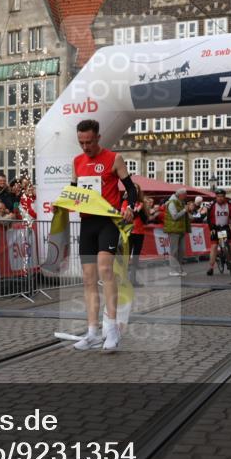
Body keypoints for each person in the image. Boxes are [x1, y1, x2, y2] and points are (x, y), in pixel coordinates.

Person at [70, 119, 135, 352]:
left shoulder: (114, 158)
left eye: (89, 142)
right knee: (88, 278)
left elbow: (131, 188)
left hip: (108, 221)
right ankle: (92, 332)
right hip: (87, 224)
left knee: (106, 270)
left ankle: (113, 329)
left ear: (98, 137)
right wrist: (61, 205)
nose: (85, 147)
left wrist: (128, 206)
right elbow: (74, 192)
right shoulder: (77, 161)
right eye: (81, 142)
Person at [206, 188, 231, 276]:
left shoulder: (229, 204)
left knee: (230, 246)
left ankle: (230, 261)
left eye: (222, 196)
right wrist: (211, 228)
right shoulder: (212, 205)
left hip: (225, 227)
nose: (220, 198)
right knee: (214, 246)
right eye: (218, 196)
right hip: (215, 228)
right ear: (216, 197)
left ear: (224, 197)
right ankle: (211, 267)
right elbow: (208, 218)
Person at [163, 187, 190, 277]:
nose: (186, 197)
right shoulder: (172, 203)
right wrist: (184, 211)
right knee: (174, 250)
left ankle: (179, 268)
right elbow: (174, 216)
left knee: (181, 250)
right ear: (180, 195)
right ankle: (173, 269)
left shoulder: (180, 202)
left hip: (181, 229)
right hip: (174, 229)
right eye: (185, 195)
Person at [128, 186, 149, 287]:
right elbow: (127, 217)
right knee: (125, 258)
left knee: (135, 259)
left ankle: (133, 280)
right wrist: (136, 211)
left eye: (137, 189)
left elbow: (145, 220)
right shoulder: (126, 202)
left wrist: (141, 210)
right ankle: (124, 280)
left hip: (140, 233)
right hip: (129, 233)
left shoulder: (141, 203)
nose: (135, 191)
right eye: (133, 188)